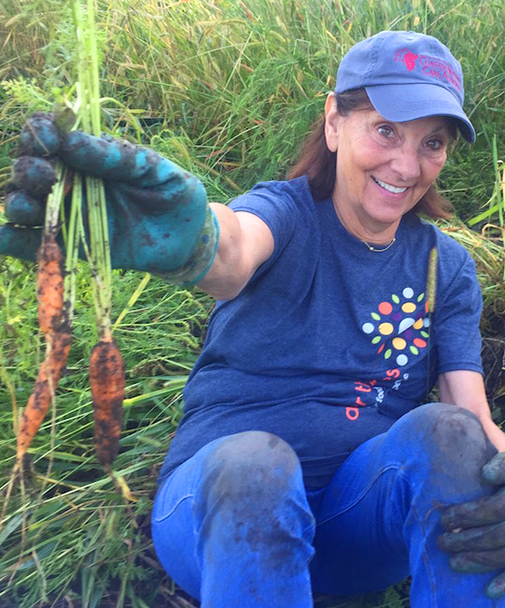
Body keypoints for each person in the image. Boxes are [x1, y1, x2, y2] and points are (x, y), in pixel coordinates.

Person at [3, 29, 505, 608]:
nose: (406, 164)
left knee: (445, 432)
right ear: (335, 122)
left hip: (357, 525)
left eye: (433, 143)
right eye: (386, 129)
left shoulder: (447, 265)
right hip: (221, 513)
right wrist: (195, 239)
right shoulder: (285, 214)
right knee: (256, 464)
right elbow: (232, 249)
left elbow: (470, 420)